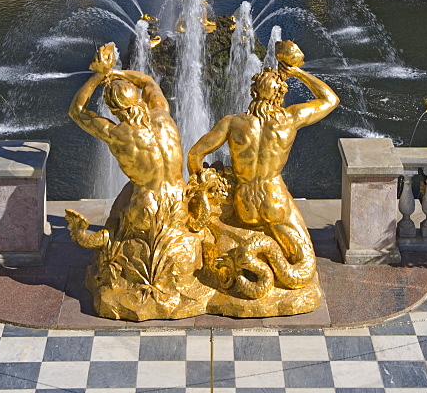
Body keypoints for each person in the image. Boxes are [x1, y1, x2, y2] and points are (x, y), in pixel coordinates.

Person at [188, 41, 339, 281]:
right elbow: (331, 99)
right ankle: (266, 267)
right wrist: (298, 73)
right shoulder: (289, 119)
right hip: (273, 198)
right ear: (280, 93)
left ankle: (247, 264)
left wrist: (203, 184)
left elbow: (195, 155)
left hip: (244, 203)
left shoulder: (232, 122)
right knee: (303, 257)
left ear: (253, 91)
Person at [68, 43, 185, 233]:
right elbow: (148, 82)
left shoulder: (117, 134)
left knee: (124, 201)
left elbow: (77, 111)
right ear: (139, 99)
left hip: (146, 209)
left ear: (113, 109)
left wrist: (99, 75)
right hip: (180, 202)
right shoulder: (163, 114)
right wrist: (116, 73)